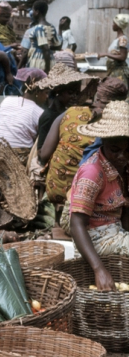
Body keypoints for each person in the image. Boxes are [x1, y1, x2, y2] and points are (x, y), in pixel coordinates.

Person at [69, 100, 129, 291]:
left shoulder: (123, 167)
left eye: (128, 151)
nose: (122, 156)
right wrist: (99, 269)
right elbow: (76, 223)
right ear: (103, 142)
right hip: (95, 236)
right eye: (115, 150)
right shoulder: (93, 172)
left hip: (116, 228)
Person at [41, 77, 128, 207]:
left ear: (97, 96)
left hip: (56, 189)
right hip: (95, 198)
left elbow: (44, 154)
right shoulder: (120, 126)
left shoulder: (71, 112)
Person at [0, 68, 48, 164]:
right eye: (46, 93)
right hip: (18, 159)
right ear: (37, 92)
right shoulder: (40, 113)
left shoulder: (6, 100)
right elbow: (39, 144)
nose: (47, 97)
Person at [35, 63, 91, 152]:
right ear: (58, 92)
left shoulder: (65, 112)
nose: (74, 97)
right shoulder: (49, 116)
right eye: (70, 93)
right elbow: (41, 150)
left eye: (76, 93)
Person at [22, 0, 60, 73]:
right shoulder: (52, 27)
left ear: (37, 11)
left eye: (33, 10)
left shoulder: (39, 28)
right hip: (51, 60)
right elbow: (57, 46)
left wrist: (47, 69)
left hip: (39, 62)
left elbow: (45, 48)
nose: (32, 13)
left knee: (37, 83)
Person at [99, 13, 129, 92]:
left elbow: (123, 57)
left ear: (118, 25)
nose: (112, 25)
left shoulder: (123, 39)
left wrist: (106, 54)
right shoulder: (117, 39)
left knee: (118, 95)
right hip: (113, 71)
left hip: (119, 73)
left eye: (114, 23)